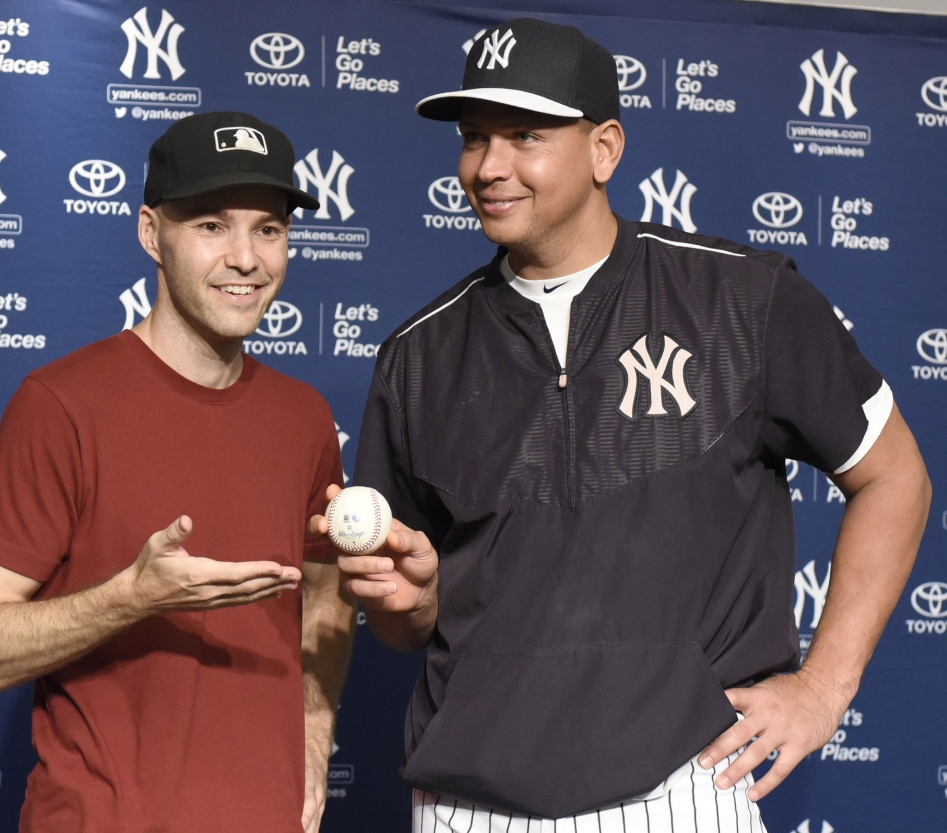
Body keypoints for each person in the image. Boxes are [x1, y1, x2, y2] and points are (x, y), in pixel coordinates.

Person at [314, 18, 931, 833]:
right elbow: (408, 619)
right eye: (473, 139)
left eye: (524, 135)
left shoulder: (743, 301)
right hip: (471, 803)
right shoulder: (418, 354)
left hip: (682, 791)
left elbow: (895, 476)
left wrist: (823, 686)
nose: (488, 167)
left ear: (604, 149)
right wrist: (409, 599)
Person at [0, 111, 355, 833]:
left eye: (268, 228)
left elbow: (324, 589)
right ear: (149, 232)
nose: (245, 257)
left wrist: (314, 736)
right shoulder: (60, 403)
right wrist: (129, 598)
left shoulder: (305, 417)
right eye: (211, 226)